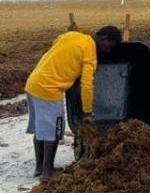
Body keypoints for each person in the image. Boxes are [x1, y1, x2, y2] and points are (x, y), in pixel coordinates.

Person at [25, 25, 120, 180]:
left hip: (33, 83)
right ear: (104, 39)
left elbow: (59, 40)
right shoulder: (90, 51)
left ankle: (39, 168)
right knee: (53, 132)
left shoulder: (73, 36)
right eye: (110, 46)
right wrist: (88, 112)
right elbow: (87, 84)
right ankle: (47, 173)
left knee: (40, 130)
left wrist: (73, 32)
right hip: (49, 89)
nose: (108, 51)